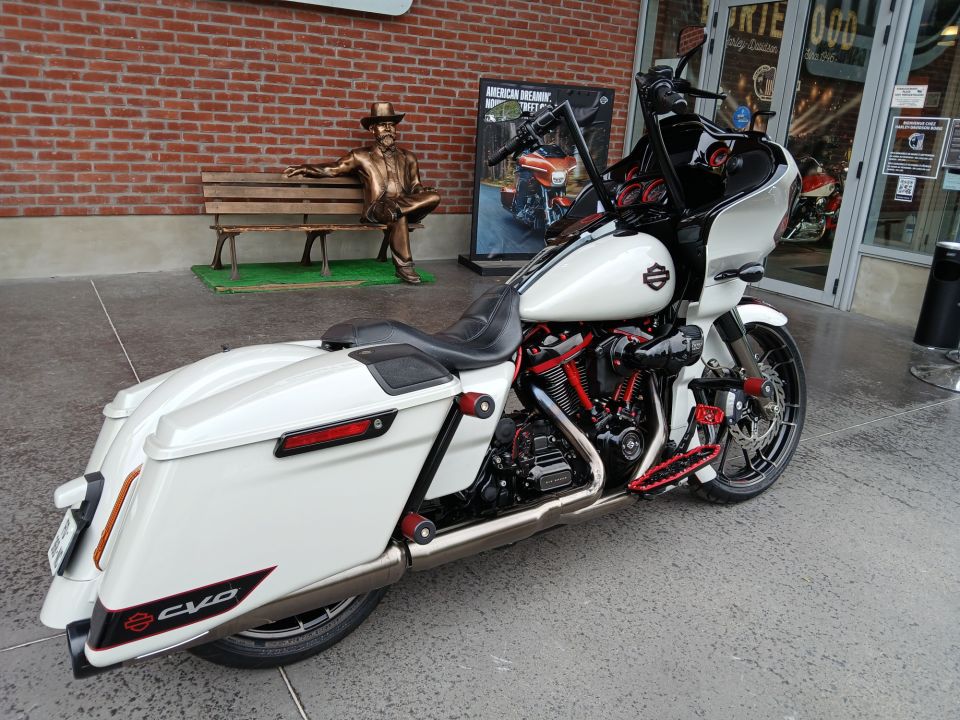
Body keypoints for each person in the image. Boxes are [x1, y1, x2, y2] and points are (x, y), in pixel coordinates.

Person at [283, 102, 440, 285]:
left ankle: (398, 208)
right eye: (383, 125)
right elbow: (334, 168)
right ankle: (404, 267)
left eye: (391, 124)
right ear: (373, 129)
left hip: (406, 204)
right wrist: (305, 168)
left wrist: (423, 192)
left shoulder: (409, 157)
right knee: (397, 215)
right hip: (378, 208)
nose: (388, 129)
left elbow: (415, 187)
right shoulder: (361, 156)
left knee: (434, 196)